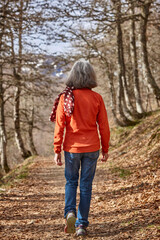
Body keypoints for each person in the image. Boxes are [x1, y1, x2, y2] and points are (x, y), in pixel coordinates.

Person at [50, 59, 110, 236]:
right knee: (85, 186)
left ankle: (70, 212)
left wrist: (57, 150)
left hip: (71, 149)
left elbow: (59, 126)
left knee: (71, 181)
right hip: (92, 148)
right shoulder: (97, 98)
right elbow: (104, 126)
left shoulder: (66, 97)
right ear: (91, 76)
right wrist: (105, 149)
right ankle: (81, 225)